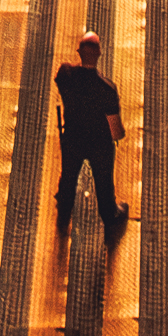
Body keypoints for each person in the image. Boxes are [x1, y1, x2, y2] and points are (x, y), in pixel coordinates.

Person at [54, 32, 127, 227]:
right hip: (99, 145)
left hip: (72, 139)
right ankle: (110, 215)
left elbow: (61, 79)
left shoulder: (66, 75)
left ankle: (64, 209)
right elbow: (116, 131)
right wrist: (120, 133)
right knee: (104, 182)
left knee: (68, 175)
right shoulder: (107, 89)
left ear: (78, 52)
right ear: (99, 54)